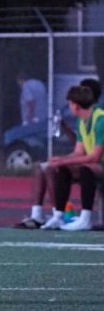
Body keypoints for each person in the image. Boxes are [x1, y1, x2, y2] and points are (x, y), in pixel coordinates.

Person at [18, 82, 103, 232]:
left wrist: (64, 160)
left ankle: (85, 218)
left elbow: (95, 157)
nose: (69, 107)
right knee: (57, 167)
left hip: (99, 164)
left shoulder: (100, 120)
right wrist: (60, 160)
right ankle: (57, 215)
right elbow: (78, 151)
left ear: (76, 106)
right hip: (95, 164)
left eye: (70, 104)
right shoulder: (81, 121)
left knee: (86, 169)